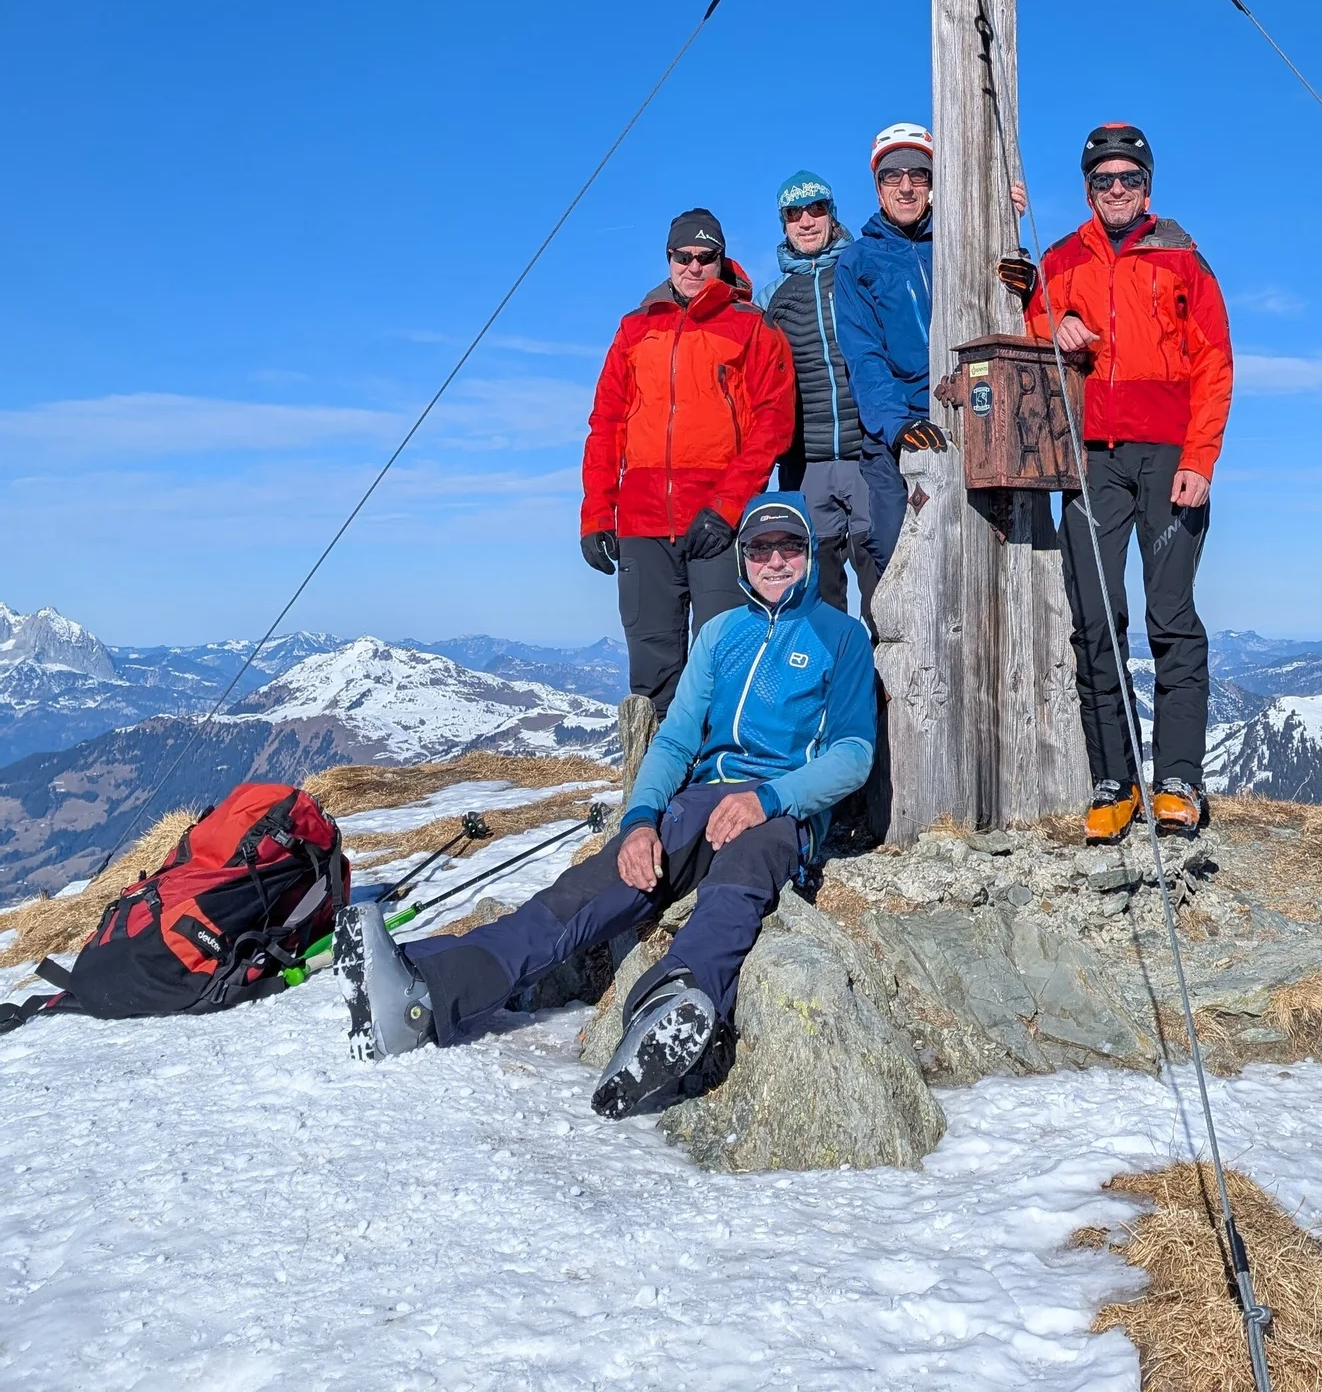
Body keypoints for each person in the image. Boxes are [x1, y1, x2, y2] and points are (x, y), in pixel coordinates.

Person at [338, 493, 875, 1119]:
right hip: (702, 798)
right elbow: (675, 739)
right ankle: (423, 993)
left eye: (790, 547)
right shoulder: (721, 634)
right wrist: (641, 821)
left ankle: (674, 1002)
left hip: (786, 811)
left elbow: (853, 753)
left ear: (809, 555)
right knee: (589, 888)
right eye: (761, 547)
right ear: (742, 557)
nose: (775, 560)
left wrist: (769, 799)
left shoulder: (842, 637)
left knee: (740, 879)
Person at [1003, 122, 1232, 844]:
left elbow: (1214, 362)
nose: (1117, 190)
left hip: (1169, 458)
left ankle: (1178, 779)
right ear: (1087, 188)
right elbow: (1033, 319)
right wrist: (1057, 322)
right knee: (1096, 620)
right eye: (1103, 179)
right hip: (1090, 456)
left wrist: (1200, 458)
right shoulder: (1062, 256)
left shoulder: (1182, 257)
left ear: (1148, 184)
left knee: (1170, 617)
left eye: (1129, 177)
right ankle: (1115, 777)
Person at [577, 207, 796, 709]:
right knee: (652, 669)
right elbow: (606, 423)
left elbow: (772, 423)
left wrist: (728, 506)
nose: (694, 267)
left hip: (717, 522)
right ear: (668, 257)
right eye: (683, 256)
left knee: (724, 664)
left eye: (706, 257)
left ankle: (721, 784)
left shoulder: (751, 326)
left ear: (721, 259)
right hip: (642, 521)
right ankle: (655, 784)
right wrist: (596, 514)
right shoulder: (635, 328)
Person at [762, 169, 879, 624]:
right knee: (819, 586)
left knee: (882, 577)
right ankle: (832, 682)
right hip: (804, 460)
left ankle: (888, 687)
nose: (806, 221)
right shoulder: (772, 298)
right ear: (784, 223)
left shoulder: (858, 270)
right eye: (794, 213)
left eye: (816, 209)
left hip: (868, 452)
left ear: (832, 214)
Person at [833, 122, 944, 571]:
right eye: (891, 176)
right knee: (894, 550)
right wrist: (896, 424)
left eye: (918, 174)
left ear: (934, 185)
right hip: (895, 431)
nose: (905, 187)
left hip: (970, 419)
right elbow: (864, 354)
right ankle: (891, 643)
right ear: (877, 189)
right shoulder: (857, 261)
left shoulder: (964, 242)